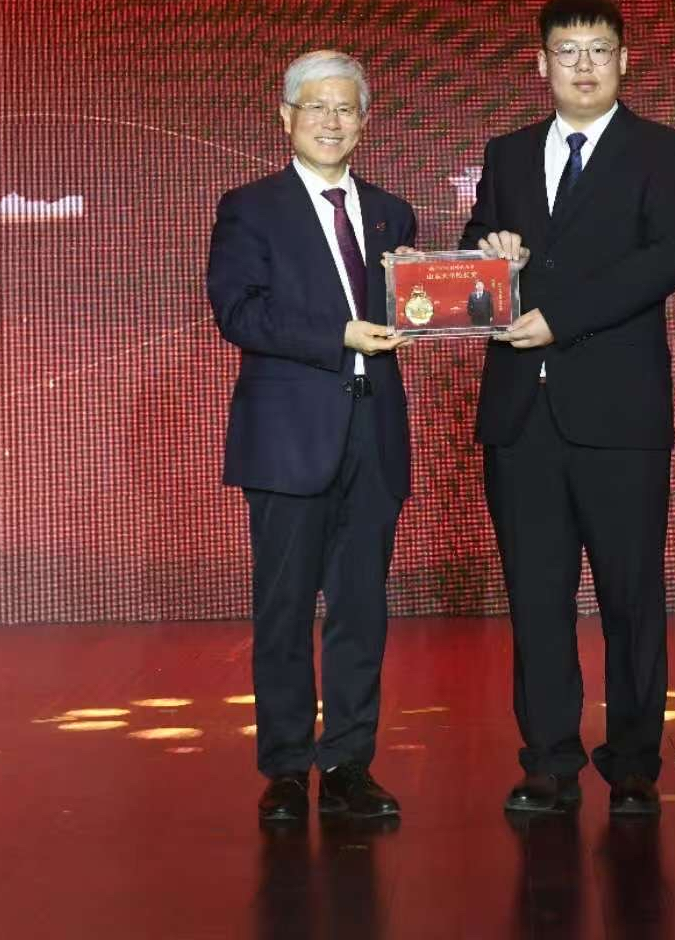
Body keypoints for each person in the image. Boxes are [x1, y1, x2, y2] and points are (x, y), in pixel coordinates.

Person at [461, 0, 675, 818]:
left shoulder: (662, 150)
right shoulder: (507, 154)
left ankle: (632, 763)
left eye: (599, 50)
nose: (585, 66)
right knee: (536, 598)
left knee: (631, 598)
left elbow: (667, 257)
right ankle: (549, 761)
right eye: (568, 51)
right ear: (542, 64)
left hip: (620, 417)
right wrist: (488, 249)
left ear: (625, 60)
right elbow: (475, 253)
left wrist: (560, 318)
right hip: (521, 420)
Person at [206, 49, 418, 825]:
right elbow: (240, 312)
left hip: (374, 434)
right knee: (286, 610)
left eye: (346, 108)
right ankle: (288, 769)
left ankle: (350, 765)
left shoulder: (393, 213)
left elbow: (412, 310)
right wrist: (342, 336)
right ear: (287, 117)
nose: (332, 121)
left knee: (361, 612)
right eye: (317, 106)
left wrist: (433, 291)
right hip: (288, 439)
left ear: (364, 121)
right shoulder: (250, 208)